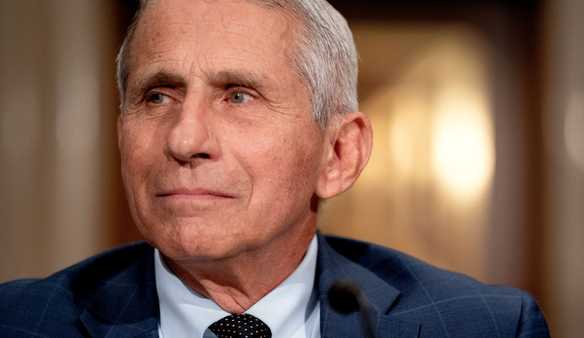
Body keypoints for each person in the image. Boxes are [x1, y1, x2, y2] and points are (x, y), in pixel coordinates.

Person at [0, 0, 550, 337]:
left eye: (238, 97)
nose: (185, 139)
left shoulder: (483, 327)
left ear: (339, 155)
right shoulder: (20, 322)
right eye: (158, 96)